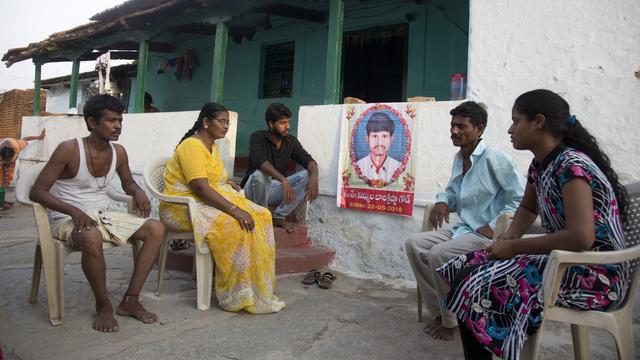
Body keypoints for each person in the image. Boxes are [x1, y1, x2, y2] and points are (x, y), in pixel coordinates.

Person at [437, 89, 629, 360]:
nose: (509, 129)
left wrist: (516, 247)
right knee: (462, 269)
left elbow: (581, 237)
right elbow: (527, 207)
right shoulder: (541, 165)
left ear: (538, 122)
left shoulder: (571, 166)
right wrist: (509, 236)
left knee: (478, 284)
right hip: (562, 261)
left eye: (516, 121)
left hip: (594, 274)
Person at [29, 94, 165, 332]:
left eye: (120, 121)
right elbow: (37, 192)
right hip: (66, 218)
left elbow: (127, 183)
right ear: (92, 123)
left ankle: (131, 300)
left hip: (103, 215)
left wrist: (138, 192)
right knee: (91, 236)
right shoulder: (69, 149)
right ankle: (103, 306)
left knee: (157, 228)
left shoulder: (119, 152)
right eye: (111, 121)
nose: (118, 126)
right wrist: (73, 211)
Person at [405, 101, 525, 341]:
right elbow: (452, 192)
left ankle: (451, 323)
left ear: (479, 129)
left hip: (486, 235)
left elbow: (520, 198)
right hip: (464, 229)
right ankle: (439, 311)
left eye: (462, 126)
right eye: (452, 125)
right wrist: (442, 202)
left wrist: (493, 227)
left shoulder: (495, 158)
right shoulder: (460, 158)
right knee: (414, 244)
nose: (454, 131)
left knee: (439, 254)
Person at [159, 102, 285, 314]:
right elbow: (199, 185)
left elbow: (213, 177)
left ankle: (255, 286)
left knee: (262, 215)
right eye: (222, 121)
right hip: (181, 208)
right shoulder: (192, 146)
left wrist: (227, 183)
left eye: (228, 122)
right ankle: (235, 293)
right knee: (233, 223)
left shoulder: (212, 146)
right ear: (206, 122)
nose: (226, 126)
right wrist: (235, 209)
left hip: (202, 201)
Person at [242, 103, 319, 233]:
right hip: (254, 189)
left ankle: (278, 216)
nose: (287, 126)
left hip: (275, 189)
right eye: (282, 123)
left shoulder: (291, 141)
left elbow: (308, 160)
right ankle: (263, 216)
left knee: (307, 174)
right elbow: (260, 162)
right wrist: (283, 180)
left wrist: (314, 178)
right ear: (271, 124)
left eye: (288, 122)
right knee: (260, 175)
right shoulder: (258, 137)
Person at [0, 128, 46, 209]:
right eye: (5, 160)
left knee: (6, 180)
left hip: (10, 161)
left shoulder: (16, 145)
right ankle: (1, 202)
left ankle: (2, 201)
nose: (6, 162)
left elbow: (25, 139)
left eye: (8, 160)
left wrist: (39, 137)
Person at [354, 112, 402, 183]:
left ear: (391, 139)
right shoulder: (357, 167)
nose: (379, 143)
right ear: (367, 139)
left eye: (384, 136)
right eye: (375, 136)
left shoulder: (399, 168)